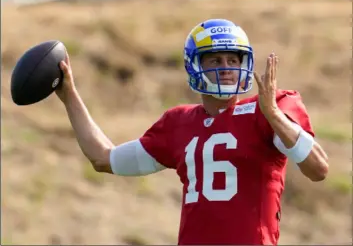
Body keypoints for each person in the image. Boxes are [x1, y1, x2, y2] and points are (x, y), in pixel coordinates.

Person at [56, 18, 329, 245]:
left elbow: (318, 169)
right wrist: (69, 95)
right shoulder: (178, 123)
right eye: (215, 60)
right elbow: (104, 158)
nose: (226, 68)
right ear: (195, 64)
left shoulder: (269, 110)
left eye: (233, 60)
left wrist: (274, 115)